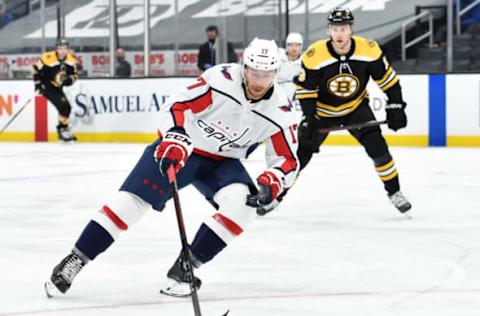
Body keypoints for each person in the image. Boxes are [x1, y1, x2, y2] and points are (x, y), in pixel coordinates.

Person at [44, 38, 299, 298]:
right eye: (254, 73)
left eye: (266, 75)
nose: (258, 82)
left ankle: (186, 266)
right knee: (130, 203)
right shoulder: (221, 80)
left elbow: (287, 158)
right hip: (185, 147)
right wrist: (175, 135)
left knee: (243, 206)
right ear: (244, 66)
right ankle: (75, 259)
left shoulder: (280, 110)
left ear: (275, 73)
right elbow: (178, 104)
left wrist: (274, 180)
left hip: (223, 161)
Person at [259, 8, 411, 216]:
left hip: (356, 109)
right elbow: (306, 90)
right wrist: (310, 118)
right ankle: (277, 196)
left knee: (379, 149)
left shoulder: (369, 50)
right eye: (335, 28)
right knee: (299, 157)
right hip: (322, 112)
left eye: (344, 28)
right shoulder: (315, 54)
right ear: (329, 30)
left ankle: (395, 192)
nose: (339, 34)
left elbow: (389, 82)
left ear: (351, 29)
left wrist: (396, 105)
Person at [32, 38, 78, 142]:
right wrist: (38, 84)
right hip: (46, 86)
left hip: (57, 87)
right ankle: (62, 129)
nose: (62, 50)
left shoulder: (71, 60)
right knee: (64, 106)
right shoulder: (47, 57)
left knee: (66, 107)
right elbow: (35, 70)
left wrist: (70, 80)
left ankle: (63, 128)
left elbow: (74, 75)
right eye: (60, 48)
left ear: (68, 49)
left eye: (65, 48)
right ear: (56, 49)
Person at [277, 32, 304, 103]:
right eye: (291, 45)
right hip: (277, 93)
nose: (294, 48)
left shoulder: (305, 62)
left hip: (295, 98)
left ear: (301, 47)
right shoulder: (278, 58)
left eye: (297, 45)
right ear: (286, 46)